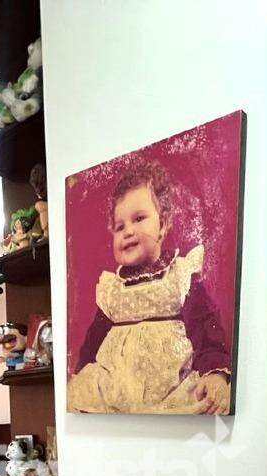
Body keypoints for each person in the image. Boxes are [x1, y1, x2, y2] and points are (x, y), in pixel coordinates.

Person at [67, 160, 232, 415]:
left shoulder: (179, 276)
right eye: (119, 227)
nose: (128, 231)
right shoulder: (113, 289)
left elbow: (205, 327)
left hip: (171, 388)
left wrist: (215, 373)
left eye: (139, 219)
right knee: (79, 394)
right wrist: (80, 373)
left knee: (199, 404)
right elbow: (93, 342)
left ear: (163, 225)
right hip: (114, 392)